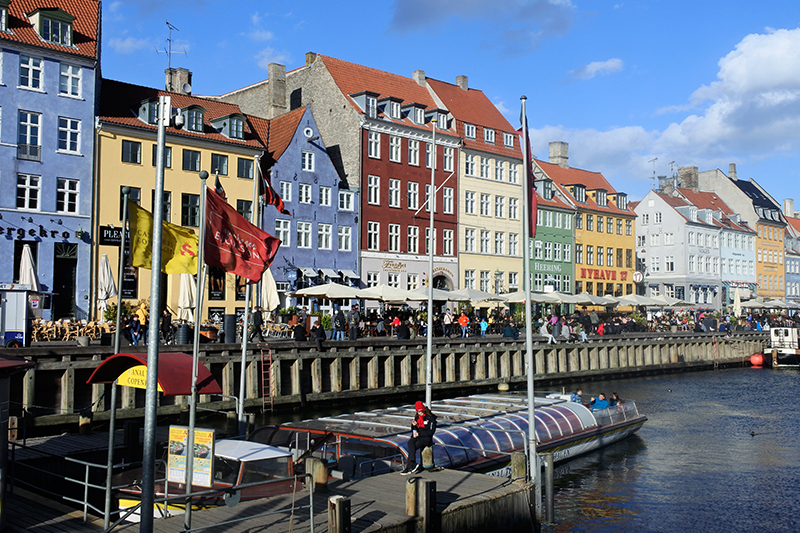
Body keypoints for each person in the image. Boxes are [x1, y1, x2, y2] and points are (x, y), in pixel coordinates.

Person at [400, 401, 437, 475]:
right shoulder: (417, 417)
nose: (419, 413)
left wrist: (419, 433)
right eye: (418, 412)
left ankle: (411, 466)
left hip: (425, 438)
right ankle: (411, 464)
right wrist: (414, 425)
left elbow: (430, 432)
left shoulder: (431, 418)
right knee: (410, 443)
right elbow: (414, 429)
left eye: (420, 411)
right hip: (417, 436)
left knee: (413, 447)